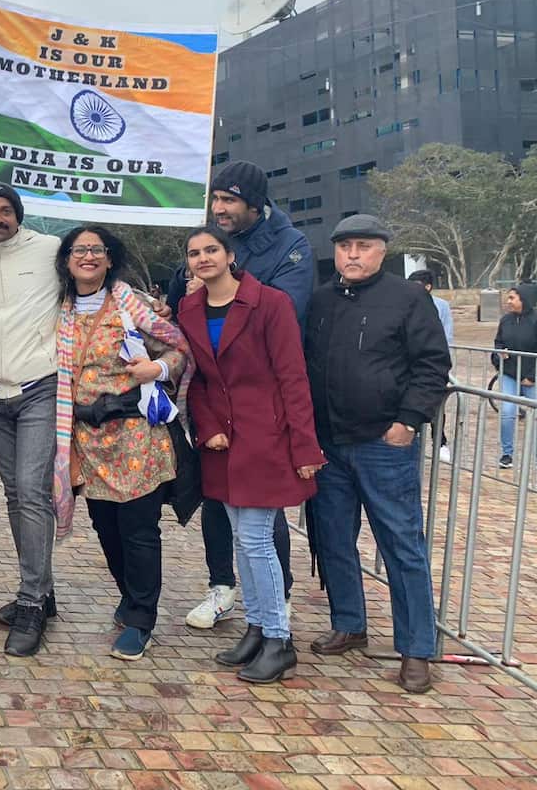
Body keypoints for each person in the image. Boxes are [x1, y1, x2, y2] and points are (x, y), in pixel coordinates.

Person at [304, 214, 451, 694]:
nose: (352, 255)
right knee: (333, 539)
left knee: (401, 546)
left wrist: (408, 421)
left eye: (363, 246)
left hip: (384, 444)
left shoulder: (408, 298)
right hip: (330, 442)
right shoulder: (322, 299)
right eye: (345, 246)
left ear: (381, 251)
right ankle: (349, 622)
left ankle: (416, 648)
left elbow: (433, 366)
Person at [165, 161, 312, 632]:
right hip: (216, 422)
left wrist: (303, 443)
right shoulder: (194, 297)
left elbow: (289, 364)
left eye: (228, 200)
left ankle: (274, 619)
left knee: (259, 534)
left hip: (263, 419)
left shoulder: (289, 253)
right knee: (225, 513)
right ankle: (231, 596)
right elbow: (190, 351)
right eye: (215, 200)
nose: (219, 208)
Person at [176, 226, 323, 684]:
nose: (203, 259)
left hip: (267, 436)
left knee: (258, 540)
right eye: (194, 253)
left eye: (211, 250)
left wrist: (304, 444)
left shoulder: (270, 303)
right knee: (243, 539)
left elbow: (293, 376)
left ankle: (280, 639)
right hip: (223, 441)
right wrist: (209, 429)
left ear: (230, 255)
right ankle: (258, 629)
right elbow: (197, 380)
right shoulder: (189, 308)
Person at [51, 226, 191, 661]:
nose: (88, 257)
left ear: (110, 259)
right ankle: (130, 596)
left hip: (135, 437)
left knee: (139, 530)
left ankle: (141, 618)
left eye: (97, 250)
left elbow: (178, 348)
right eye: (80, 250)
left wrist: (159, 370)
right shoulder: (59, 311)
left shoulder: (135, 306)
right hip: (86, 440)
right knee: (105, 527)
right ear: (67, 260)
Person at [0, 183, 60, 657]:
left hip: (41, 386)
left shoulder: (50, 250)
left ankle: (31, 600)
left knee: (31, 490)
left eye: (5, 210)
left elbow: (96, 279)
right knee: (14, 493)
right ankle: (42, 585)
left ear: (18, 215)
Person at [408, 269, 455, 464]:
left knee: (436, 406)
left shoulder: (441, 306)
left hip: (431, 364)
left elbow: (446, 335)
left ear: (428, 287)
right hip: (409, 364)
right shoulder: (405, 303)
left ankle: (441, 442)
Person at [492, 285, 537, 471]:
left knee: (534, 415)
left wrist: (531, 376)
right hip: (509, 373)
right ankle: (507, 453)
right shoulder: (505, 320)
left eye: (512, 298)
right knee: (507, 411)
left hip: (531, 376)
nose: (508, 301)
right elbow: (498, 343)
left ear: (523, 299)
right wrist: (498, 356)